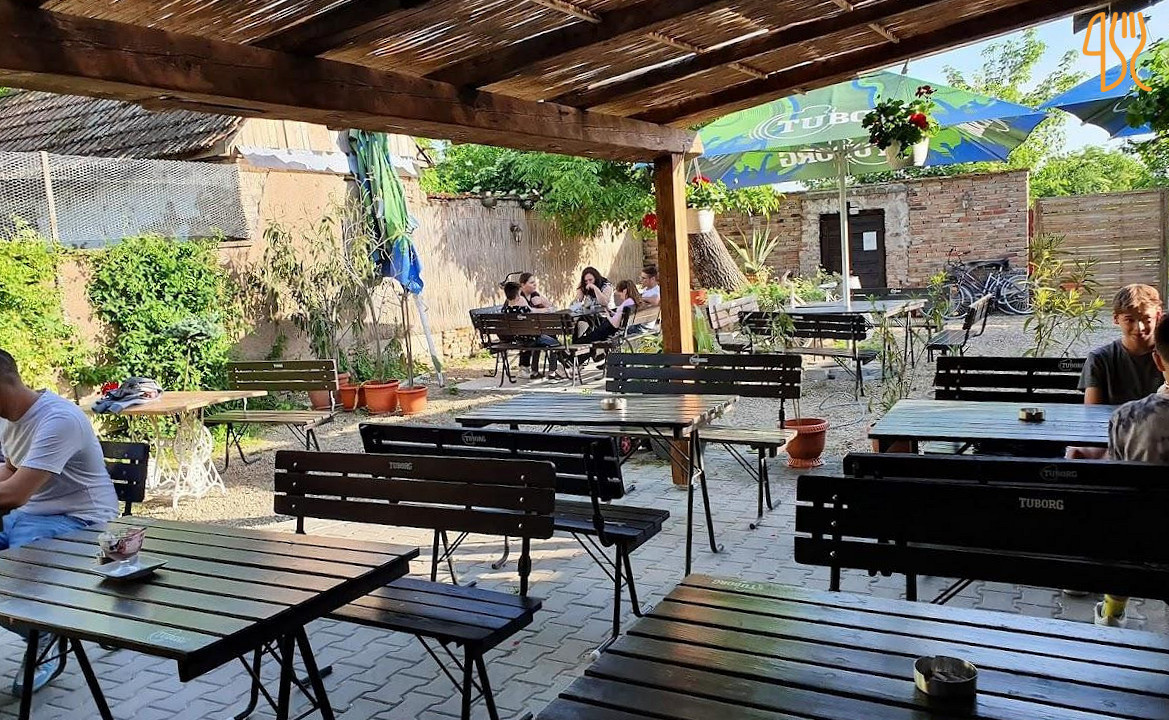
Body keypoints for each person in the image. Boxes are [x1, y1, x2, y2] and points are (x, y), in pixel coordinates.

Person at [0, 348, 118, 696]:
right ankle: (40, 626)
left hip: (83, 522)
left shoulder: (59, 419)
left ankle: (46, 631)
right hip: (30, 517)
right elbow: (11, 471)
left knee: (14, 574)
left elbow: (14, 493)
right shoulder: (9, 419)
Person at [1093, 314, 1169, 627]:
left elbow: (1116, 490)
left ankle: (1112, 611)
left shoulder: (1127, 418)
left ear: (1158, 360)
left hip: (1143, 545)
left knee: (1125, 524)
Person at [1067, 284, 1164, 460]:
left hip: (1158, 434)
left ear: (1158, 316)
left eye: (1146, 319)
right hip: (1112, 435)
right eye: (1129, 320)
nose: (1139, 327)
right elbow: (1093, 415)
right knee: (1075, 453)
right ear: (1116, 319)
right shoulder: (1100, 359)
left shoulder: (1166, 356)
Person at [501, 282, 561, 380]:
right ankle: (552, 372)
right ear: (518, 295)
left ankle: (535, 372)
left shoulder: (505, 311)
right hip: (532, 340)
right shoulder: (524, 309)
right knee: (556, 344)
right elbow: (535, 324)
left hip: (519, 341)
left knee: (537, 342)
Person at [577, 280, 640, 362]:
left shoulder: (625, 304)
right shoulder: (632, 302)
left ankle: (571, 360)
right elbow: (621, 317)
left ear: (625, 291)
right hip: (618, 331)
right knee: (589, 340)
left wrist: (607, 316)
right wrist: (612, 313)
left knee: (585, 341)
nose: (618, 294)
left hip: (610, 332)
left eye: (619, 292)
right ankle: (574, 361)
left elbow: (615, 324)